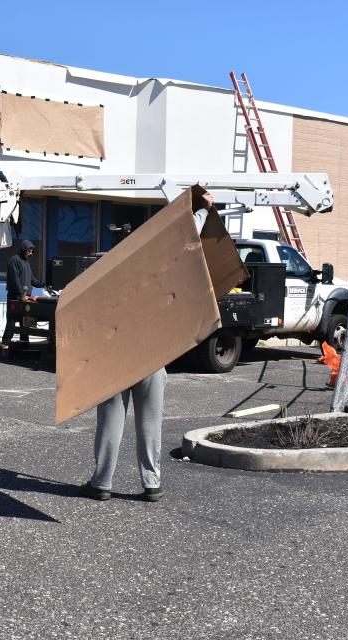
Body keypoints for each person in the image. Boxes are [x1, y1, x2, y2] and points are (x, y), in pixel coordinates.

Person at [79, 192, 215, 503]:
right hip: (152, 358)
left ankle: (101, 483)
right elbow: (185, 242)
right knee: (150, 423)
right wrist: (204, 211)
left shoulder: (108, 278)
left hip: (117, 360)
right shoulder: (158, 273)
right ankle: (151, 484)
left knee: (111, 423)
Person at [1, 240, 43, 352]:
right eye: (29, 251)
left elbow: (32, 279)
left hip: (26, 296)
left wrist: (44, 284)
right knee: (12, 320)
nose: (30, 253)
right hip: (15, 296)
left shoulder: (26, 262)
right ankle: (5, 342)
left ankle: (24, 342)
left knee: (27, 320)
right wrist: (20, 294)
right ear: (23, 249)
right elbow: (14, 279)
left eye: (32, 252)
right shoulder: (14, 261)